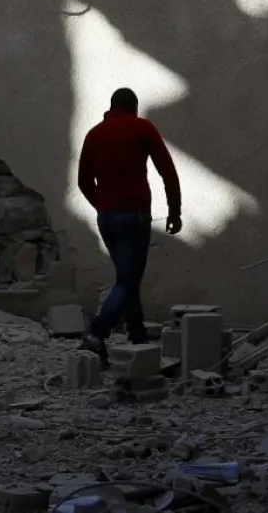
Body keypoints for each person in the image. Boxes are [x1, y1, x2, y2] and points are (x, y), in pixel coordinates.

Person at [74, 87, 182, 363]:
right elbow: (167, 170)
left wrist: (101, 205)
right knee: (129, 280)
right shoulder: (141, 127)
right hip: (134, 216)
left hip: (107, 217)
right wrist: (174, 210)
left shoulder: (94, 134)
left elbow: (83, 182)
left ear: (111, 107)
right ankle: (96, 333)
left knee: (127, 277)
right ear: (134, 107)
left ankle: (138, 338)